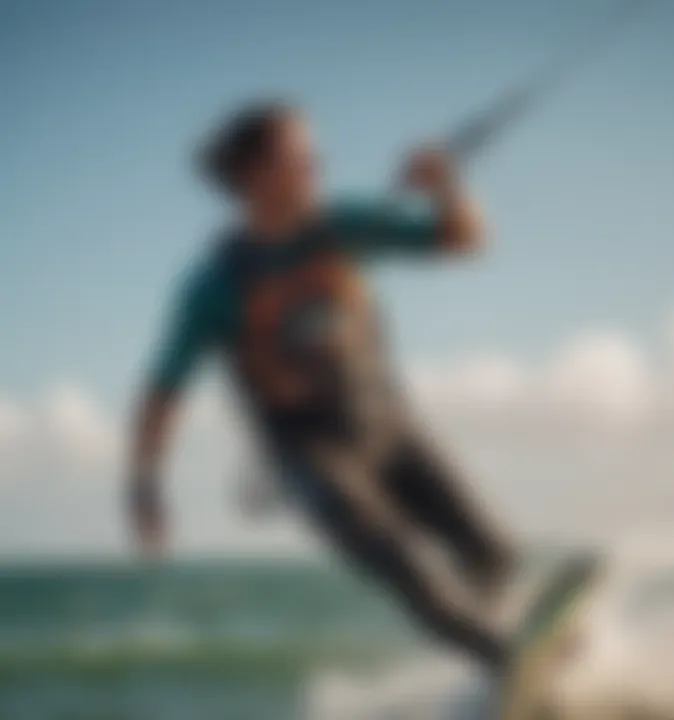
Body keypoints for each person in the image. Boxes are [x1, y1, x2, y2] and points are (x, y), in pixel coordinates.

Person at [127, 101, 518, 673]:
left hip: (392, 429)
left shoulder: (343, 224)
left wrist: (447, 185)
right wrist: (144, 484)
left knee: (496, 556)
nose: (319, 167)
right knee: (404, 563)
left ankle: (490, 659)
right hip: (313, 456)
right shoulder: (214, 284)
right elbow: (163, 390)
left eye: (317, 158)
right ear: (255, 175)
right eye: (302, 158)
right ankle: (504, 659)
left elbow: (464, 240)